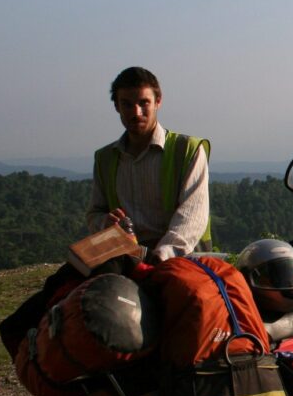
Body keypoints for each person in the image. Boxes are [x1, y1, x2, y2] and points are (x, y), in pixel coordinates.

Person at [87, 66, 212, 263]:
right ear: (117, 107)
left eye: (144, 103)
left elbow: (192, 217)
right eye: (127, 104)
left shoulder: (188, 150)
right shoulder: (105, 158)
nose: (136, 112)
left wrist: (161, 255)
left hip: (178, 259)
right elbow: (95, 213)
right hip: (121, 257)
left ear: (158, 102)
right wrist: (105, 223)